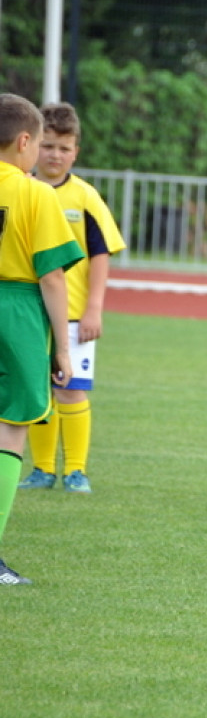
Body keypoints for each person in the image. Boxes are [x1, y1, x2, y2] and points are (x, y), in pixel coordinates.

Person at [18, 102, 126, 495]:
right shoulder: (22, 190)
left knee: (71, 387)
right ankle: (43, 469)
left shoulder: (85, 197)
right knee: (38, 388)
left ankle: (76, 471)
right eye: (48, 146)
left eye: (64, 148)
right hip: (30, 309)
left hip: (75, 312)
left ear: (76, 151)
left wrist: (94, 306)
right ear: (31, 144)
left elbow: (101, 253)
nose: (55, 155)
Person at [0, 94, 84, 584]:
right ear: (25, 141)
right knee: (11, 426)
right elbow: (53, 278)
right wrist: (64, 348)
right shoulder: (36, 194)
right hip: (16, 309)